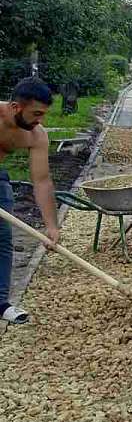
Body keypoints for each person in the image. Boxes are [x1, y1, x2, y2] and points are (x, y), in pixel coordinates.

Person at [0, 77, 60, 324]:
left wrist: (52, 226)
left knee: (2, 239)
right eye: (36, 113)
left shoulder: (36, 135)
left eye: (43, 114)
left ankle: (1, 304)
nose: (40, 120)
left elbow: (42, 181)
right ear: (16, 107)